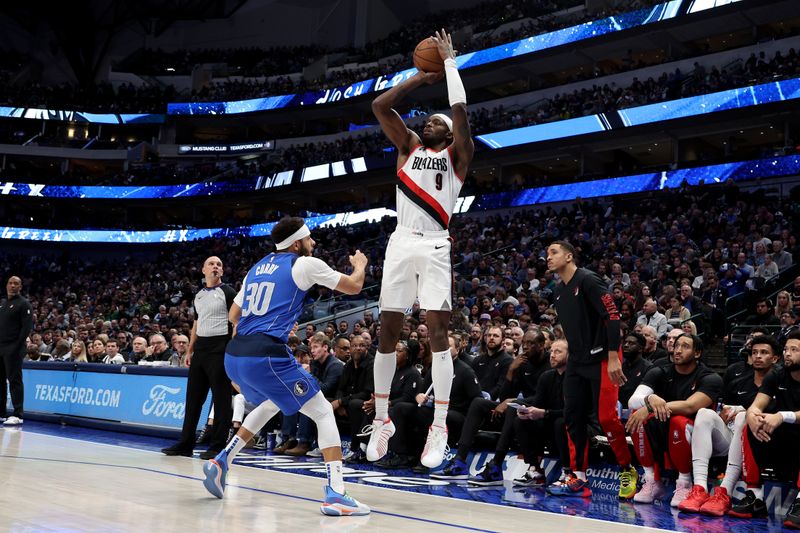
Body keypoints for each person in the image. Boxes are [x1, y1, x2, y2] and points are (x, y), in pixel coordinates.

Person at [201, 216, 371, 516]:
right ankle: (336, 493)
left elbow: (233, 315)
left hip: (235, 355)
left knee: (270, 402)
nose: (313, 243)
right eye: (309, 239)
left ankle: (222, 460)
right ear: (296, 243)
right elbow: (355, 287)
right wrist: (360, 264)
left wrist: (266, 322)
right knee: (321, 411)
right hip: (266, 354)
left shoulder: (256, 268)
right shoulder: (304, 263)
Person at [365, 29, 474, 469]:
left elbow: (462, 113)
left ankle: (440, 425)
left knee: (437, 334)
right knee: (387, 334)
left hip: (433, 246)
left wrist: (448, 65)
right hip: (399, 242)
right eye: (425, 120)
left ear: (447, 135)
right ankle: (382, 420)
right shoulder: (408, 147)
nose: (428, 122)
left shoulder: (458, 157)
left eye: (436, 122)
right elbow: (379, 106)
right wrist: (418, 76)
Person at [545, 242, 637, 499]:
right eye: (547, 254)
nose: (548, 258)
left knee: (607, 418)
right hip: (578, 359)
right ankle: (578, 478)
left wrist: (613, 355)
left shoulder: (587, 280)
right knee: (572, 416)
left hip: (605, 356)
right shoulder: (558, 291)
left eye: (553, 253)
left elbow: (612, 315)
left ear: (569, 255)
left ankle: (627, 469)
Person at [677, 335, 779, 515]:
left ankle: (725, 491)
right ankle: (699, 488)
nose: (757, 356)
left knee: (743, 417)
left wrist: (745, 411)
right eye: (754, 352)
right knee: (704, 414)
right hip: (732, 440)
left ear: (775, 358)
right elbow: (723, 412)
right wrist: (724, 415)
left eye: (764, 353)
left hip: (763, 441)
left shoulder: (781, 383)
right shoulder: (738, 382)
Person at [625, 333, 723, 507]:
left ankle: (685, 482)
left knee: (678, 421)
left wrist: (648, 406)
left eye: (685, 346)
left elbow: (690, 406)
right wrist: (649, 399)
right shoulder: (659, 370)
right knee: (636, 415)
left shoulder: (710, 377)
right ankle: (652, 481)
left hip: (700, 438)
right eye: (676, 346)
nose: (677, 350)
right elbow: (633, 400)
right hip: (665, 434)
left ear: (697, 353)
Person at [162, 256, 237, 460]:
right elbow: (197, 323)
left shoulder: (228, 292)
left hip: (220, 347)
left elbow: (237, 322)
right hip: (201, 349)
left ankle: (217, 446)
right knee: (193, 400)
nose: (215, 266)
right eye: (211, 264)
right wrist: (190, 350)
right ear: (203, 270)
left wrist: (232, 349)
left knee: (221, 400)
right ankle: (185, 443)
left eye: (219, 264)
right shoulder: (199, 295)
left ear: (222, 271)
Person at [729, 331, 800, 527]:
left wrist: (782, 415)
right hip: (782, 442)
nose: (787, 354)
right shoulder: (777, 374)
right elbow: (757, 405)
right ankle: (755, 497)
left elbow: (784, 416)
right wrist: (752, 416)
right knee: (749, 425)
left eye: (794, 350)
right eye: (786, 349)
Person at [0, 276, 33, 426]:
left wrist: (16, 347)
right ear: (6, 285)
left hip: (13, 348)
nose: (13, 286)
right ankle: (1, 413)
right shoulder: (3, 303)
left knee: (14, 380)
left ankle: (18, 413)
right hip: (1, 347)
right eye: (10, 283)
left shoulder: (24, 304)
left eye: (16, 284)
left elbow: (26, 328)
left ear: (20, 287)